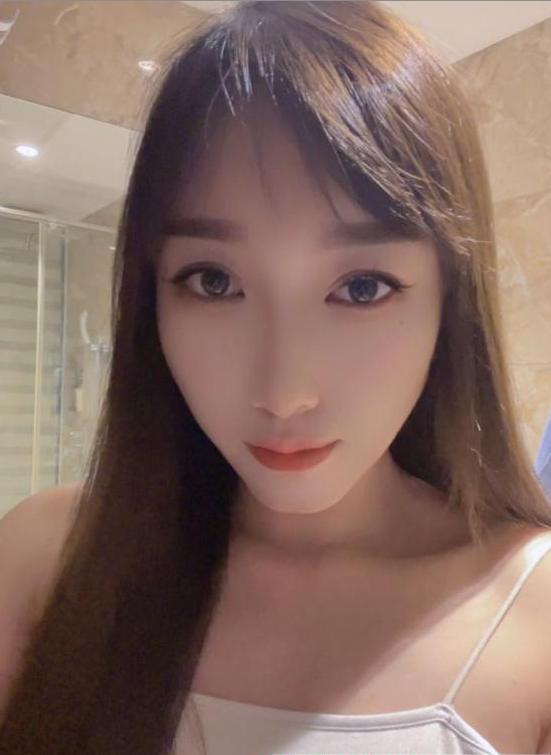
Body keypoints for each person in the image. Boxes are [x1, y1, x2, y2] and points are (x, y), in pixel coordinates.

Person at [1, 2, 551, 754]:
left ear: (447, 305)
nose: (284, 392)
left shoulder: (533, 609)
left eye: (361, 287)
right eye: (214, 281)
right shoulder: (48, 557)